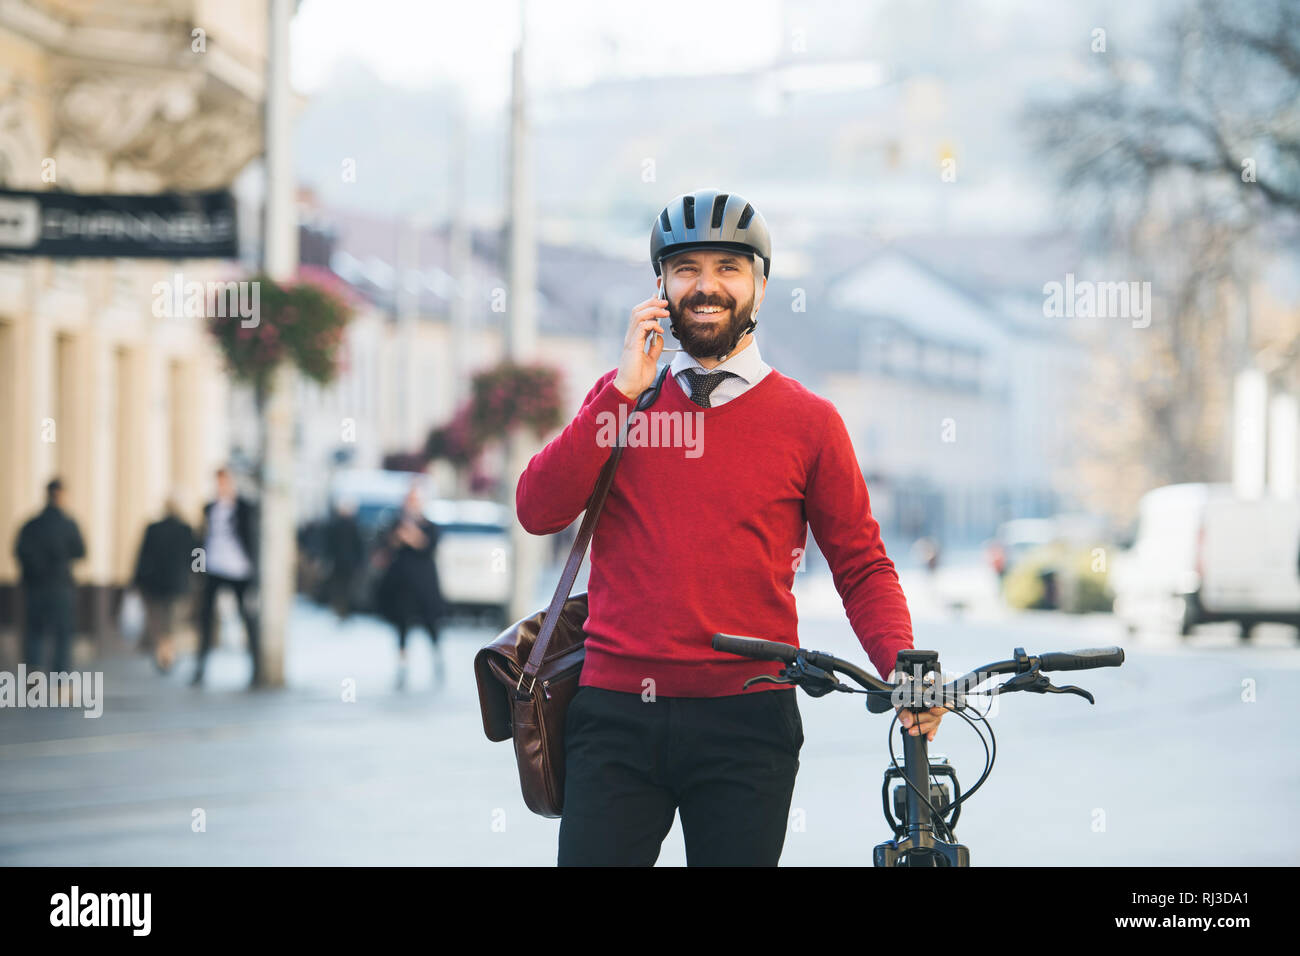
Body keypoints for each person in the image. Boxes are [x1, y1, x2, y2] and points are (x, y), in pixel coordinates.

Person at [516, 188, 945, 867]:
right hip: (615, 715)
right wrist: (623, 391)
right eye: (686, 268)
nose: (706, 285)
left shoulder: (810, 422)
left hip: (748, 721)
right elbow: (538, 510)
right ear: (660, 286)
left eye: (729, 267)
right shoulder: (622, 399)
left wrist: (902, 668)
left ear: (761, 287)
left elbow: (861, 565)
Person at [14, 478, 86, 702]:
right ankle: (61, 686)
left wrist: (34, 571)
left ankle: (34, 684)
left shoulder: (31, 524)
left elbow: (19, 551)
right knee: (63, 635)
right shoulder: (68, 523)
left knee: (35, 632)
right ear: (61, 495)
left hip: (35, 588)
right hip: (60, 588)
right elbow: (81, 551)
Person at [372, 482, 448, 688]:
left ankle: (437, 660)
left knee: (431, 624)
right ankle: (402, 666)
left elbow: (429, 545)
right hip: (402, 584)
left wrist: (412, 536)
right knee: (402, 625)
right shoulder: (395, 523)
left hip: (424, 583)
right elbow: (385, 546)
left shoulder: (429, 525)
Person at [193, 466, 261, 688]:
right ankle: (200, 667)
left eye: (225, 482)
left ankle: (255, 666)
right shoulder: (209, 508)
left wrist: (255, 573)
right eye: (218, 482)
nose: (221, 487)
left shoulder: (244, 508)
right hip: (213, 568)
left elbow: (254, 539)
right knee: (205, 618)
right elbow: (200, 542)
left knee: (246, 618)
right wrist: (197, 570)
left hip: (239, 569)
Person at [131, 495, 199, 673]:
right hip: (178, 583)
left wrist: (136, 580)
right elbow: (197, 555)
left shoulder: (153, 529)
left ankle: (163, 652)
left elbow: (142, 555)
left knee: (158, 620)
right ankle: (167, 653)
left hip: (154, 583)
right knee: (171, 621)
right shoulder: (186, 529)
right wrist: (198, 575)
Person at [322, 498, 364, 621]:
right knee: (340, 588)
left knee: (346, 589)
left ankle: (344, 611)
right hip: (341, 563)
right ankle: (340, 611)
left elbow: (358, 545)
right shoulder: (338, 525)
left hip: (346, 563)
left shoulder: (350, 525)